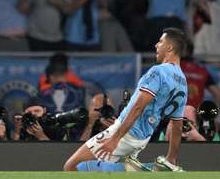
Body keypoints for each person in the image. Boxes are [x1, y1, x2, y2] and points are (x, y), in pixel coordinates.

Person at [63, 28, 190, 172]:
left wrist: (115, 139)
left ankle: (143, 171)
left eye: (160, 41)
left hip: (126, 132)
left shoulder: (158, 71)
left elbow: (138, 108)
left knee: (71, 167)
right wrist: (171, 158)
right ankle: (137, 169)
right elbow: (177, 126)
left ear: (170, 47)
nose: (156, 45)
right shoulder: (183, 83)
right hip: (142, 139)